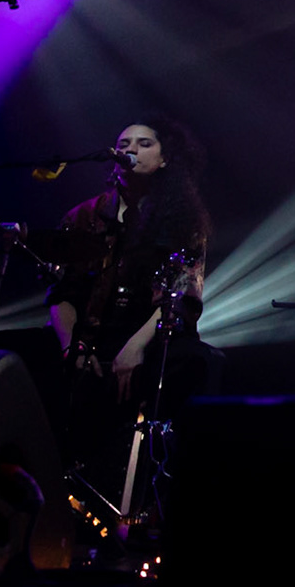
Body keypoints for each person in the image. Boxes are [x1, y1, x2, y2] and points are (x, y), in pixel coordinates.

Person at [46, 118, 217, 461]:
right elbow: (62, 293)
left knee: (197, 363)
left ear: (165, 158)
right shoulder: (82, 216)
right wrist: (71, 347)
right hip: (89, 335)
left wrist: (135, 348)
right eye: (123, 145)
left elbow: (180, 296)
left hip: (150, 336)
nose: (130, 151)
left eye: (143, 144)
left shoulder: (185, 221)